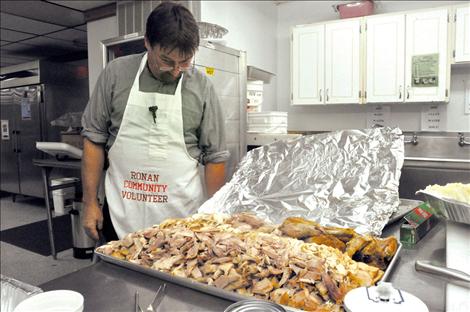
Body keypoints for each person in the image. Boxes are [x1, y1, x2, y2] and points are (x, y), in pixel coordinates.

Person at [81, 2, 228, 241]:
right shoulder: (116, 74)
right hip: (121, 214)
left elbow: (215, 158)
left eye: (185, 62)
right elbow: (93, 140)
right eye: (167, 61)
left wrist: (214, 219)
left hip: (182, 220)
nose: (176, 71)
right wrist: (89, 203)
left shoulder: (202, 86)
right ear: (147, 42)